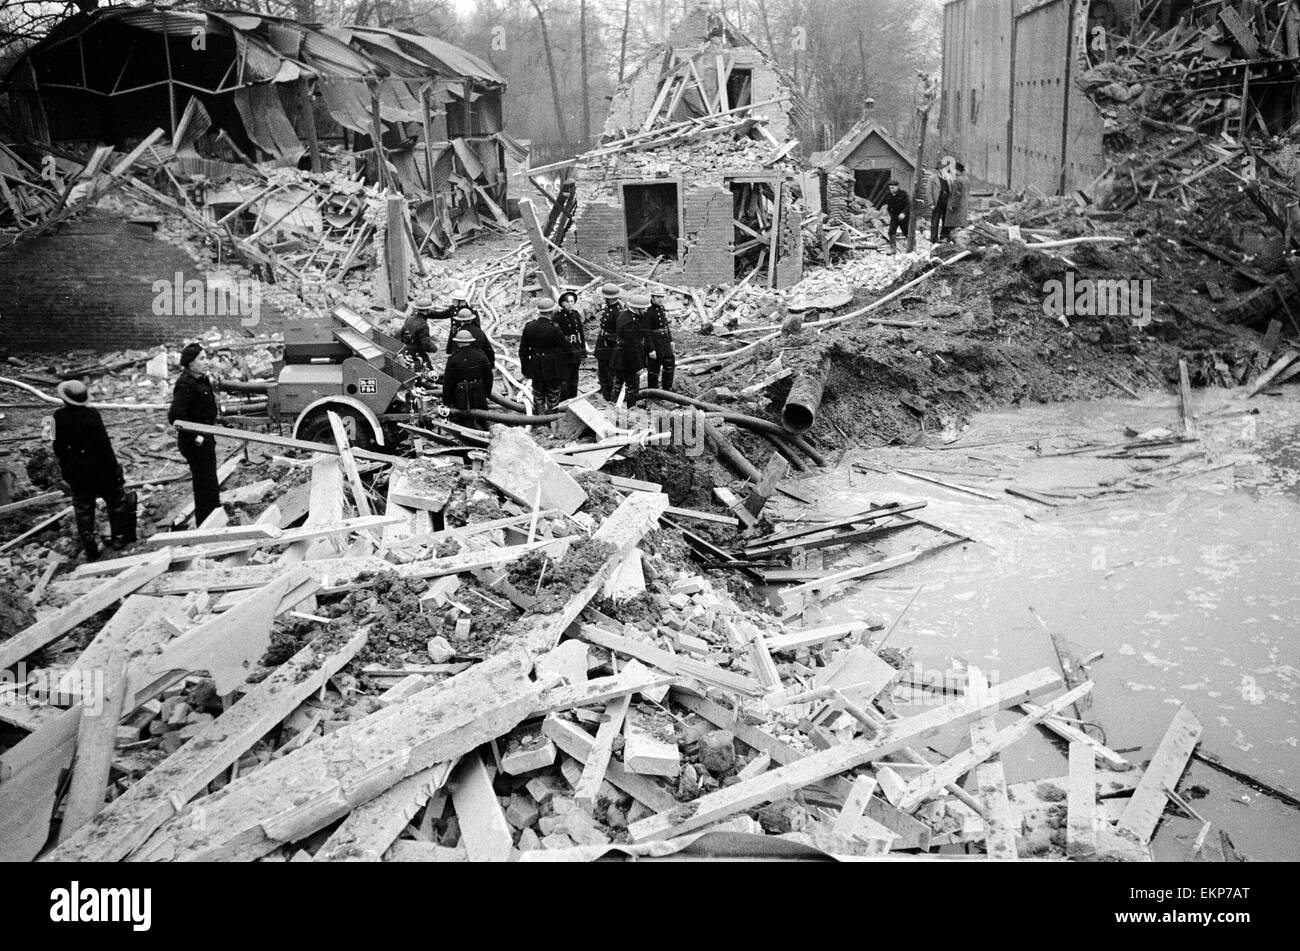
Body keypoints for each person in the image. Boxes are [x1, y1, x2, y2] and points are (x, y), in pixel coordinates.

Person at [52, 380, 135, 561]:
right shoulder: (93, 415)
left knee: (83, 510)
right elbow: (105, 446)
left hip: (76, 472)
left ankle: (91, 549)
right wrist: (115, 471)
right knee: (115, 502)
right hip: (100, 469)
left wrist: (66, 466)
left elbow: (56, 447)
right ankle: (119, 540)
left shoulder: (55, 417)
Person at [168, 342, 222, 526]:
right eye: (202, 358)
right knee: (203, 484)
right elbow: (175, 417)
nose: (206, 362)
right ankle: (206, 523)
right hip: (195, 442)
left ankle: (214, 516)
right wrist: (195, 437)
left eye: (206, 357)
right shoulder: (185, 384)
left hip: (206, 436)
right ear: (190, 363)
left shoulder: (201, 379)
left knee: (210, 481)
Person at [519, 298, 571, 416]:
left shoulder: (529, 327)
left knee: (538, 394)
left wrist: (526, 370)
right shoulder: (554, 329)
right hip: (553, 367)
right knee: (553, 395)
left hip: (536, 366)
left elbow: (523, 351)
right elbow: (567, 348)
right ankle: (551, 421)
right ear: (551, 312)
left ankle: (539, 420)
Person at [442, 329, 493, 430]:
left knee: (463, 424)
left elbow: (448, 383)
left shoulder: (453, 359)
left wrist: (447, 402)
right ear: (471, 341)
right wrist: (486, 394)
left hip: (461, 400)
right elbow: (489, 378)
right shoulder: (481, 356)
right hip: (479, 397)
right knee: (482, 421)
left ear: (458, 342)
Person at [611, 293, 649, 407]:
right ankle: (631, 409)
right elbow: (632, 347)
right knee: (632, 387)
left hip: (619, 357)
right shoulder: (630, 322)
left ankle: (612, 406)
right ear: (637, 309)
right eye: (644, 308)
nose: (646, 310)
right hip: (628, 360)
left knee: (617, 384)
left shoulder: (624, 315)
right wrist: (638, 366)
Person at [555, 290, 587, 400]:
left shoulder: (576, 315)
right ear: (563, 304)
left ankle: (573, 399)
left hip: (575, 349)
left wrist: (583, 352)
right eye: (568, 302)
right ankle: (563, 401)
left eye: (572, 302)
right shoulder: (558, 317)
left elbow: (581, 334)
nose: (570, 304)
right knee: (564, 380)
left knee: (574, 378)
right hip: (563, 352)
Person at [594, 282, 622, 402]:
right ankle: (606, 395)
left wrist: (610, 338)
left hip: (610, 345)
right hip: (603, 344)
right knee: (603, 372)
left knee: (609, 372)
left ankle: (610, 398)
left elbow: (621, 331)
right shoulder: (609, 308)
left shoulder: (618, 311)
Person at [643, 289, 676, 393]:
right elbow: (646, 332)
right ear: (653, 297)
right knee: (654, 370)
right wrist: (651, 349)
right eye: (658, 297)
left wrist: (671, 340)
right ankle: (653, 392)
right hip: (655, 342)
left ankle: (667, 389)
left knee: (669, 364)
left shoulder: (662, 309)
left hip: (665, 341)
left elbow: (666, 326)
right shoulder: (648, 311)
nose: (661, 299)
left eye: (662, 297)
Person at [399, 295, 437, 370]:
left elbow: (401, 333)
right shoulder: (423, 324)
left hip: (406, 350)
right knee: (428, 372)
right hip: (418, 353)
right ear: (427, 310)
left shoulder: (410, 318)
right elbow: (426, 345)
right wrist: (435, 348)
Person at [928, 158, 955, 244]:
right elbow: (928, 191)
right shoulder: (932, 178)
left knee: (946, 220)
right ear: (938, 169)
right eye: (941, 169)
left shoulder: (948, 178)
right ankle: (933, 238)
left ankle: (944, 237)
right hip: (937, 202)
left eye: (944, 169)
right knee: (935, 220)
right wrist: (931, 203)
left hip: (946, 202)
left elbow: (951, 190)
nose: (943, 170)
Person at [885, 181, 911, 253]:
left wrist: (903, 213)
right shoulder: (889, 195)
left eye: (893, 188)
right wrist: (889, 214)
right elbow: (889, 206)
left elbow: (908, 205)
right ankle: (893, 248)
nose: (891, 189)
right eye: (890, 188)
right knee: (891, 231)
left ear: (897, 187)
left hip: (903, 216)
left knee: (906, 231)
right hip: (894, 216)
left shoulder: (903, 194)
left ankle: (911, 247)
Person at [945, 162, 970, 237]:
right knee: (960, 226)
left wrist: (952, 205)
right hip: (963, 205)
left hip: (957, 207)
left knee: (953, 225)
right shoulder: (966, 179)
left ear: (957, 170)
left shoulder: (958, 180)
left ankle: (952, 239)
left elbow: (956, 194)